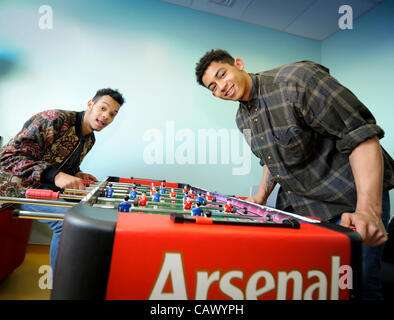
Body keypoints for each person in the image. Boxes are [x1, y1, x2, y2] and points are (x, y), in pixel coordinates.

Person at [195, 49, 394, 299]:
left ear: (239, 64)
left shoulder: (297, 80)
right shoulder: (241, 119)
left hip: (350, 203)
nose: (221, 87)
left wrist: (368, 210)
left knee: (358, 287)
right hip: (304, 209)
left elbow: (360, 133)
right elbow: (271, 159)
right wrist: (259, 197)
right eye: (213, 87)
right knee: (317, 286)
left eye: (221, 75)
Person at [0, 88, 125, 273]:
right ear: (90, 104)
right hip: (13, 187)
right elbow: (8, 157)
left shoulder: (89, 140)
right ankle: (61, 288)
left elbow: (65, 167)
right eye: (103, 108)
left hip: (41, 188)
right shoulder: (55, 119)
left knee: (86, 211)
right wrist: (56, 176)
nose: (106, 116)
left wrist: (77, 174)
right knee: (65, 220)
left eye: (113, 114)